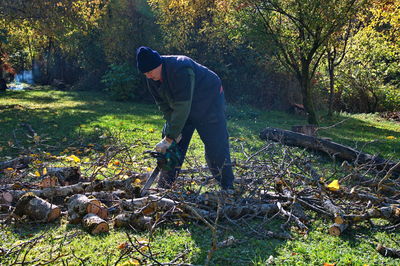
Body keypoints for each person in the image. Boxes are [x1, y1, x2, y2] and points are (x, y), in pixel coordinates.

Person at [136, 46, 234, 190]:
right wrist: (171, 135)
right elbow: (164, 106)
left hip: (209, 101)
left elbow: (183, 107)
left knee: (216, 146)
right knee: (171, 147)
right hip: (184, 106)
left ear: (159, 64)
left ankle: (227, 186)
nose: (148, 76)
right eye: (145, 73)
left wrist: (170, 137)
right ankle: (164, 187)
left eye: (150, 72)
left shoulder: (181, 68)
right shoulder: (152, 78)